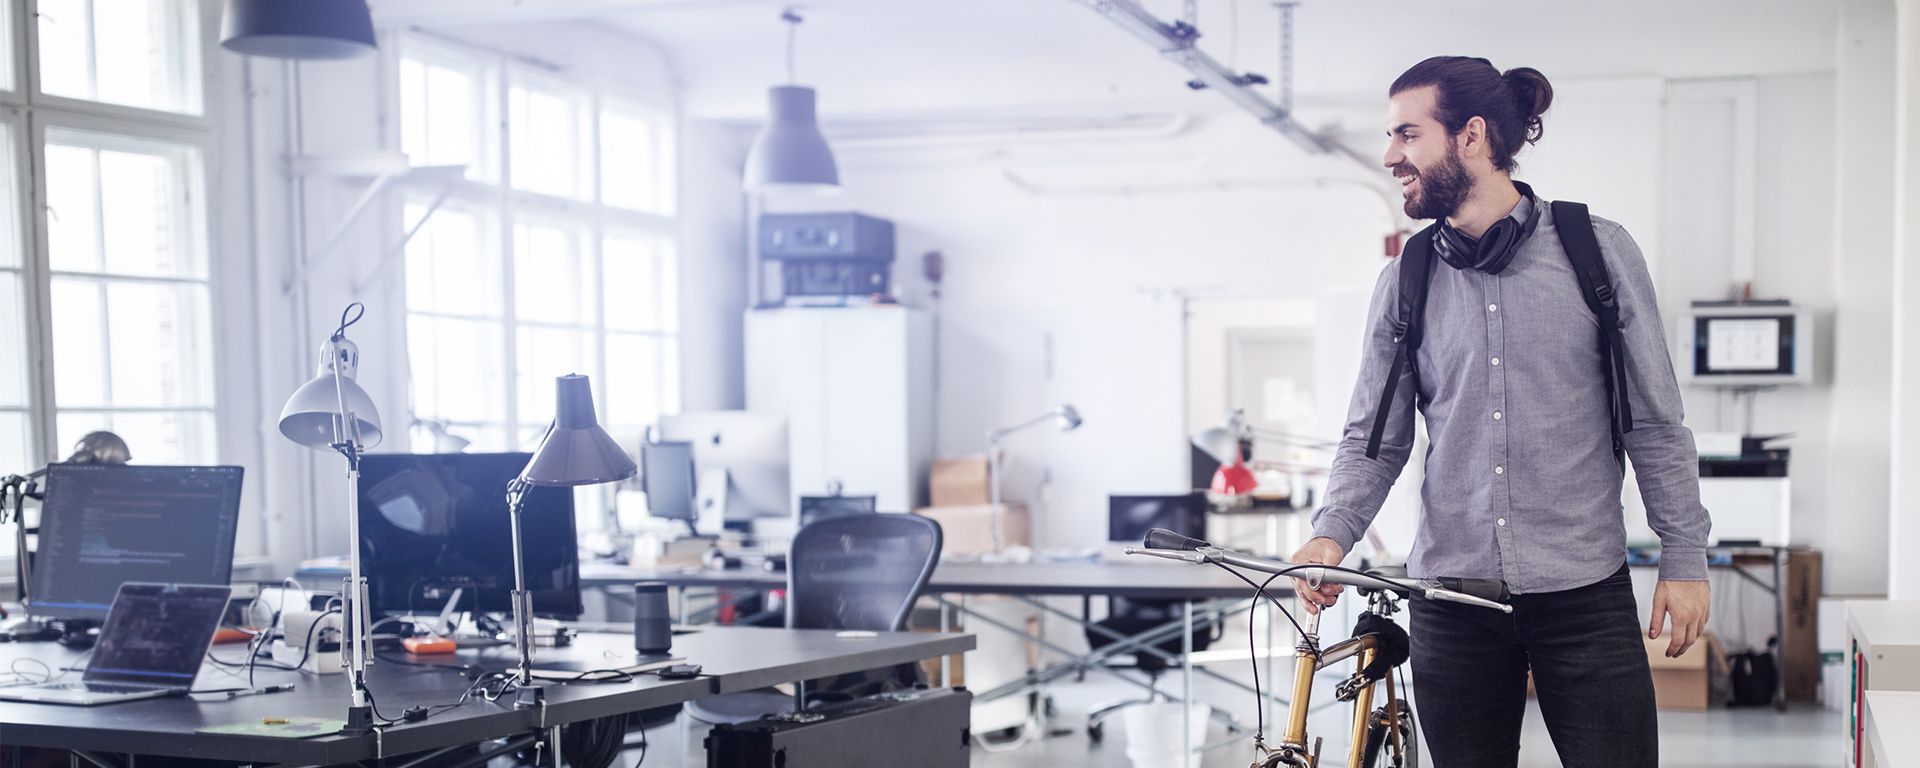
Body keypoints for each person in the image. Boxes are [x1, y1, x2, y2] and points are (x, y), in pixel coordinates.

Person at [1288, 57, 1711, 767]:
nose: (1390, 155)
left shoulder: (1597, 254)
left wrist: (1685, 553)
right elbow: (1375, 437)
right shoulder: (1406, 280)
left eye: (1407, 134)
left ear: (1472, 136)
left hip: (1584, 593)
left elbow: (1654, 420)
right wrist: (1331, 534)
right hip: (1450, 602)